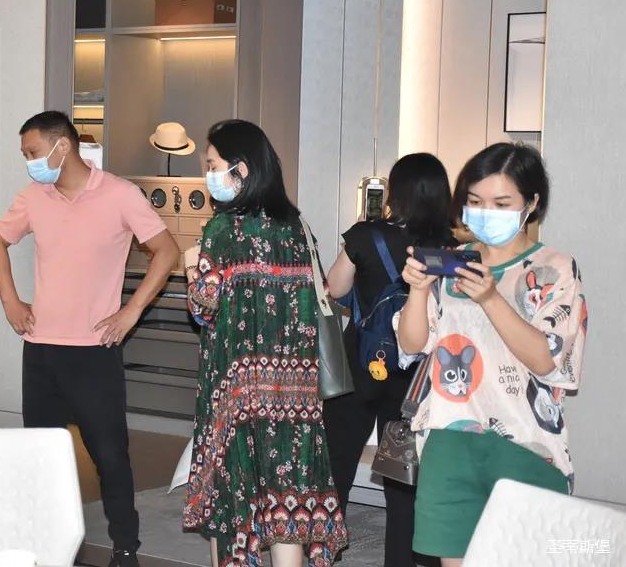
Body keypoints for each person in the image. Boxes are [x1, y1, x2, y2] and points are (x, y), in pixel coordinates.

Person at [0, 111, 179, 567]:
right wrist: (12, 302)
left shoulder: (119, 193)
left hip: (94, 352)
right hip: (41, 350)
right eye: (25, 154)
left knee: (110, 456)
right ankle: (49, 546)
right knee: (41, 457)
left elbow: (167, 250)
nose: (29, 162)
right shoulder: (34, 196)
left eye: (33, 152)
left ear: (63, 146)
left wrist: (131, 311)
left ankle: (125, 548)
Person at [397, 142, 587, 566]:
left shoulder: (555, 269)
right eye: (476, 201)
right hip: (448, 440)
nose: (486, 212)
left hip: (525, 444)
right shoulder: (449, 264)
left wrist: (490, 298)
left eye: (501, 204)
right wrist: (418, 289)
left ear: (531, 203)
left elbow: (545, 359)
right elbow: (411, 345)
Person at [184, 120, 348, 567]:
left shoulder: (222, 230)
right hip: (295, 391)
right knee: (286, 497)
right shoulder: (297, 227)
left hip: (236, 392)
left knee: (234, 496)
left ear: (239, 169)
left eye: (212, 165)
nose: (208, 174)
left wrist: (191, 269)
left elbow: (203, 309)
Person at [323, 153, 455, 567]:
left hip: (361, 368)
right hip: (416, 377)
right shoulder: (451, 249)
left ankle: (322, 550)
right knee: (403, 480)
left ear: (395, 192)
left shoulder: (366, 235)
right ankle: (402, 559)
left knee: (337, 462)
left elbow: (334, 287)